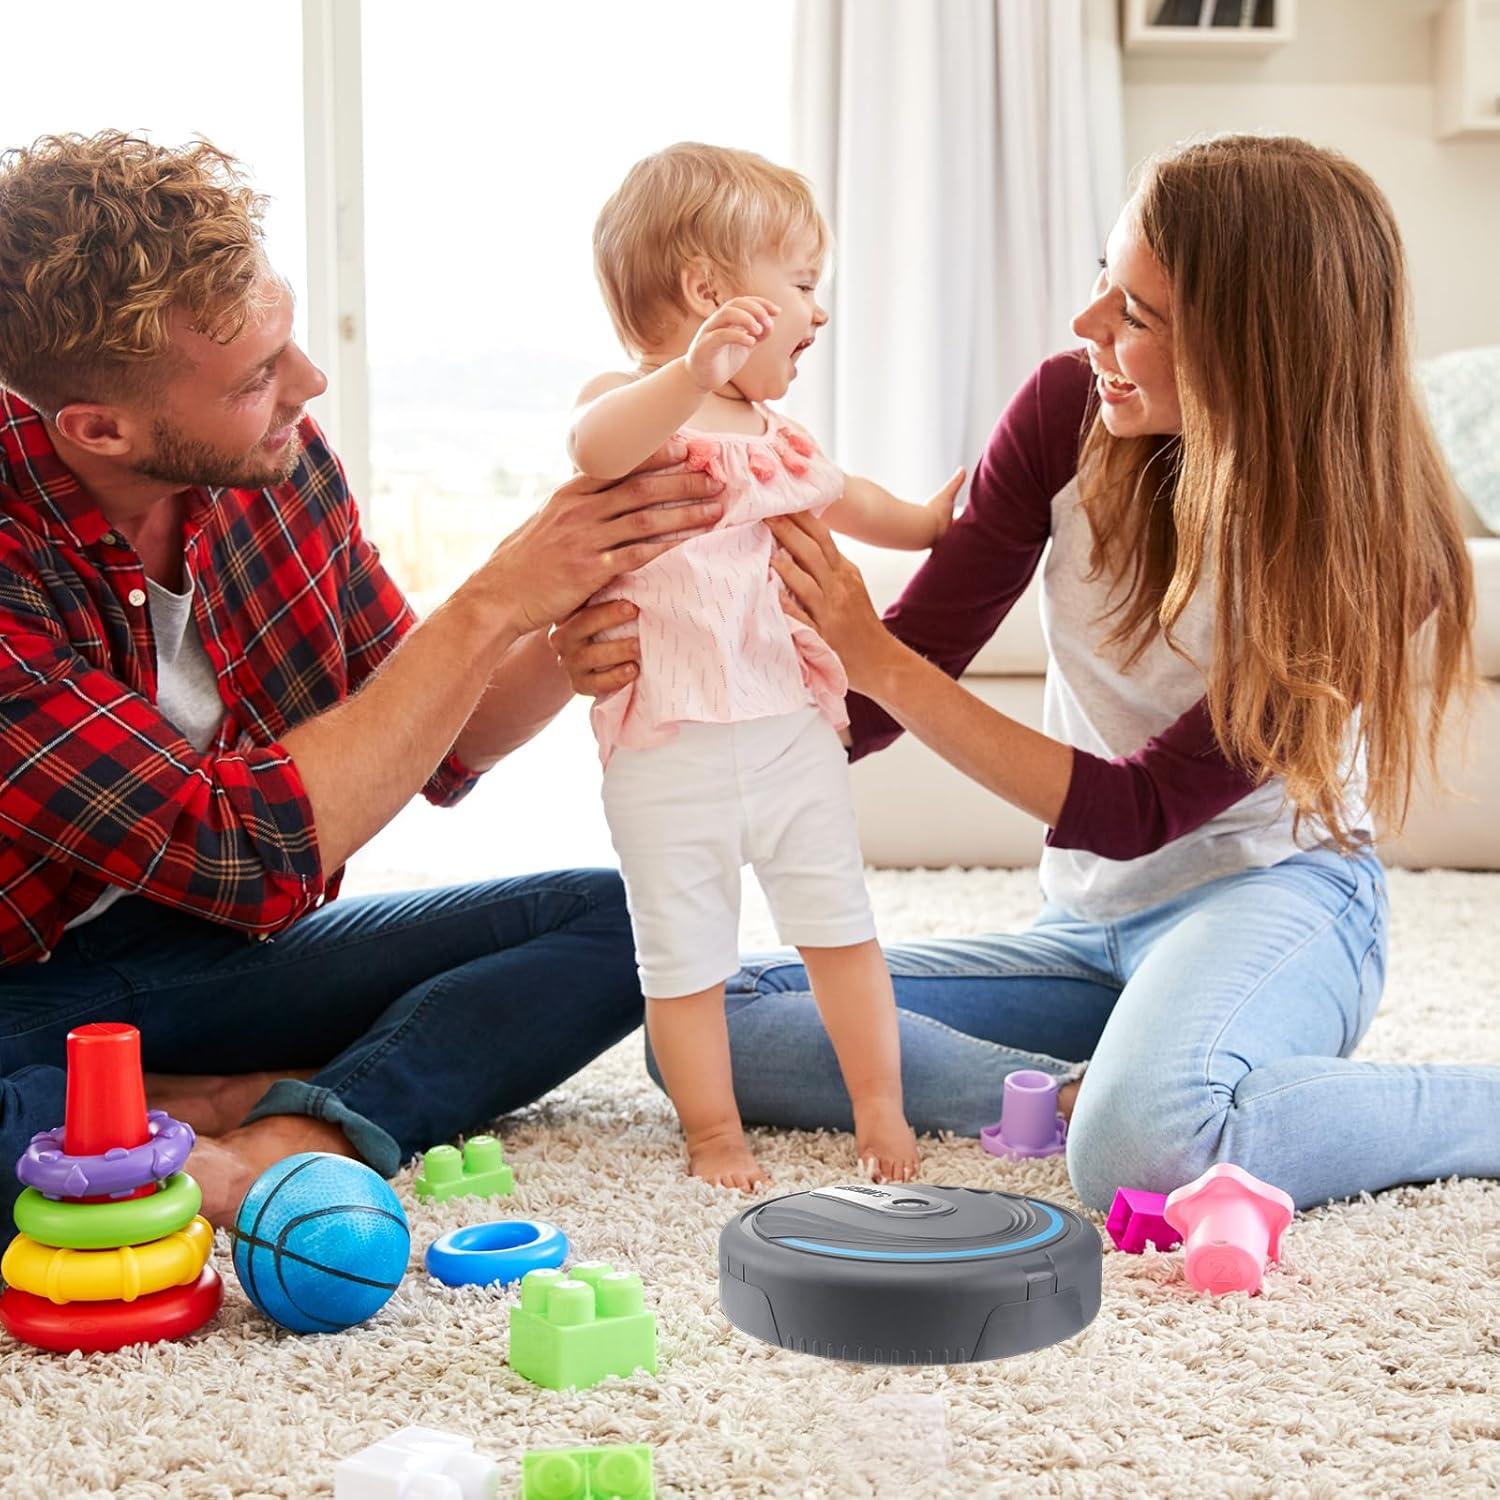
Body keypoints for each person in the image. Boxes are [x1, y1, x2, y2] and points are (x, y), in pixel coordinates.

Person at [556, 134, 1499, 1212]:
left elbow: (1138, 810)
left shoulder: (1373, 550)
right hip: (1087, 928)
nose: (1087, 323)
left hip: (1275, 897)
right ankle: (1088, 1091)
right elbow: (881, 695)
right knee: (706, 1027)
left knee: (1140, 1154)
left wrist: (869, 652)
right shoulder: (1064, 410)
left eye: (1135, 313)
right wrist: (675, 664)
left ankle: (1227, 1100)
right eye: (1104, 277)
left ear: (1254, 350)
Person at [0, 132, 727, 1225]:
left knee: (629, 922)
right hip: (23, 983)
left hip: (197, 959)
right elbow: (243, 856)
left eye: (285, 340)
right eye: (258, 377)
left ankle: (287, 1125)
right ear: (99, 428)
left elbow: (437, 732)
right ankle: (146, 1110)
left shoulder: (273, 461)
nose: (308, 382)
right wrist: (491, 600)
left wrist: (560, 630)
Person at [568, 144, 964, 1188]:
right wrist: (688, 376)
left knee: (841, 930)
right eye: (801, 285)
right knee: (684, 958)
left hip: (789, 731)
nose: (817, 312)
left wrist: (928, 523)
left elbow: (852, 497)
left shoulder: (778, 439)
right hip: (666, 744)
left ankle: (879, 1108)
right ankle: (714, 1134)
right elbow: (595, 448)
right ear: (711, 295)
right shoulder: (633, 407)